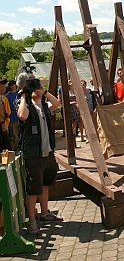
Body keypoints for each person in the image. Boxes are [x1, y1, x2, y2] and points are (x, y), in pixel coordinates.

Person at [17, 78, 63, 235]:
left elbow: (57, 104)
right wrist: (24, 96)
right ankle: (32, 221)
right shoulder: (27, 106)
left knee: (45, 184)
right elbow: (22, 116)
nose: (38, 90)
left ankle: (45, 214)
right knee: (33, 189)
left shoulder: (44, 105)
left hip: (47, 152)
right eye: (35, 88)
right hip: (33, 155)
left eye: (39, 87)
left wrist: (45, 92)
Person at [5, 80, 19, 151]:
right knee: (14, 133)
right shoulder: (7, 96)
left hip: (20, 115)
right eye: (11, 85)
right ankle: (15, 147)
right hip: (12, 116)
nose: (13, 86)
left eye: (14, 85)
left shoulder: (19, 94)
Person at [0, 78, 12, 151]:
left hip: (3, 128)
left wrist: (6, 125)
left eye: (4, 86)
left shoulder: (4, 99)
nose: (3, 88)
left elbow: (8, 113)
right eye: (1, 86)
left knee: (7, 150)